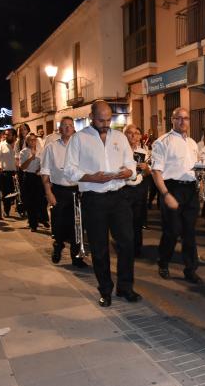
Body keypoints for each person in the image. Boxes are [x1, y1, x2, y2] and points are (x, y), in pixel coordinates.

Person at [64, 100, 140, 307]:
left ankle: (125, 287)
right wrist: (90, 177)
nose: (106, 124)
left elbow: (130, 161)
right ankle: (105, 290)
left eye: (109, 120)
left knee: (126, 243)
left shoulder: (120, 137)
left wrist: (129, 172)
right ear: (91, 117)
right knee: (99, 248)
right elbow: (69, 169)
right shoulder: (79, 139)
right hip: (94, 199)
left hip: (119, 197)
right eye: (101, 120)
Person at [151, 107, 202, 284]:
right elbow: (156, 172)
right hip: (171, 189)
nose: (183, 121)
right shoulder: (162, 142)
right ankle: (163, 262)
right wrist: (165, 194)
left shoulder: (193, 143)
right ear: (171, 120)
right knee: (172, 232)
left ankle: (190, 269)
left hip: (190, 190)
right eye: (178, 118)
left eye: (186, 118)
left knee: (189, 233)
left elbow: (196, 168)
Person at [41, 116, 87, 268]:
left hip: (77, 190)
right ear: (59, 129)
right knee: (59, 223)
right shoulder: (51, 147)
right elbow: (45, 172)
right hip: (59, 190)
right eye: (64, 125)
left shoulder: (81, 147)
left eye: (70, 125)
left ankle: (77, 257)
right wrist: (49, 193)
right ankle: (58, 245)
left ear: (74, 128)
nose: (67, 128)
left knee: (77, 225)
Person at [124, 124, 152, 258]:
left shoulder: (143, 152)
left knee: (138, 220)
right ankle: (125, 247)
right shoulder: (120, 151)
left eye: (136, 133)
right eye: (130, 133)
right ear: (125, 135)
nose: (133, 136)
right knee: (125, 221)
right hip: (124, 189)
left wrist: (146, 168)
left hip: (139, 189)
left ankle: (137, 248)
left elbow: (147, 173)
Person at [19, 133, 48, 232]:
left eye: (34, 140)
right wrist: (31, 158)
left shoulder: (41, 150)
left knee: (41, 200)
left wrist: (40, 168)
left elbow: (45, 162)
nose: (33, 142)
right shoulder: (23, 152)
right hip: (29, 177)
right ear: (27, 141)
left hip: (38, 177)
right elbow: (22, 167)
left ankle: (43, 219)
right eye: (30, 140)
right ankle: (33, 224)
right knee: (30, 201)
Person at [0, 128, 22, 217]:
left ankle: (20, 210)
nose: (6, 136)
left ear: (14, 136)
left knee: (19, 193)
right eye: (5, 134)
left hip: (18, 173)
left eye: (8, 135)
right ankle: (6, 211)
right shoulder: (2, 144)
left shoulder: (19, 144)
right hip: (6, 173)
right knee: (6, 194)